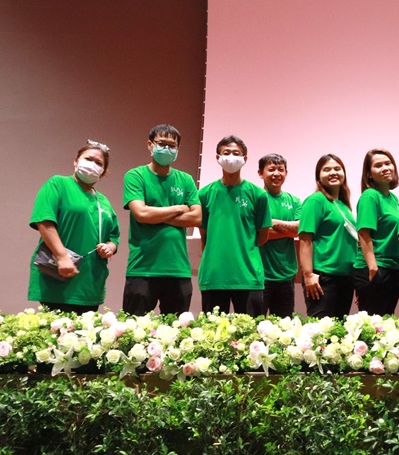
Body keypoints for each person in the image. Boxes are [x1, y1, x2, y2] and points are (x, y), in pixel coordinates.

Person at [28, 140, 120, 314]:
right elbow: (44, 222)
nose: (92, 165)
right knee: (59, 330)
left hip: (90, 285)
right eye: (88, 159)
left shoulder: (104, 201)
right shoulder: (58, 184)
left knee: (86, 331)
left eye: (99, 163)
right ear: (76, 160)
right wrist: (62, 257)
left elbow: (114, 237)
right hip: (58, 278)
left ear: (103, 172)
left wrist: (110, 247)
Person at [122, 124, 201, 315]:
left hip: (178, 270)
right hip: (142, 269)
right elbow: (141, 214)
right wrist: (179, 208)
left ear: (177, 149)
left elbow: (196, 218)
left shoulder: (185, 179)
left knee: (177, 331)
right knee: (134, 329)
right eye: (161, 143)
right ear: (150, 145)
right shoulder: (135, 176)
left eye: (172, 145)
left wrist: (155, 215)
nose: (166, 149)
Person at [198, 136, 272, 316]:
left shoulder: (258, 195)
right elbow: (204, 234)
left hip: (248, 276)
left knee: (250, 331)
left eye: (236, 153)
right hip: (214, 276)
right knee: (211, 331)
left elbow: (262, 235)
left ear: (244, 159)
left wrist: (243, 248)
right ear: (218, 157)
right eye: (226, 152)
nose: (231, 157)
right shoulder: (204, 194)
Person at [299, 154, 357, 319]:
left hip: (345, 277)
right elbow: (305, 239)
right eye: (327, 169)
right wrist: (308, 275)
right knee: (320, 330)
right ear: (318, 176)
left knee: (339, 329)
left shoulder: (343, 205)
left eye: (337, 168)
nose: (333, 172)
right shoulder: (316, 200)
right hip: (323, 277)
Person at [353, 148, 399, 316]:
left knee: (387, 323)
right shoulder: (370, 196)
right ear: (369, 174)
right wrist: (373, 267)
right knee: (373, 324)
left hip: (393, 268)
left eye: (388, 163)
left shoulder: (393, 199)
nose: (385, 168)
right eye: (378, 165)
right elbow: (364, 234)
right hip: (375, 268)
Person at [258, 153, 303, 318]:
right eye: (271, 169)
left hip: (286, 275)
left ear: (286, 173)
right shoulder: (256, 198)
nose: (276, 173)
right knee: (255, 325)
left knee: (284, 326)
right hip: (259, 275)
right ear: (260, 173)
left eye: (280, 169)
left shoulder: (294, 200)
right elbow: (257, 233)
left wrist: (272, 222)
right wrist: (287, 230)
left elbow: (298, 230)